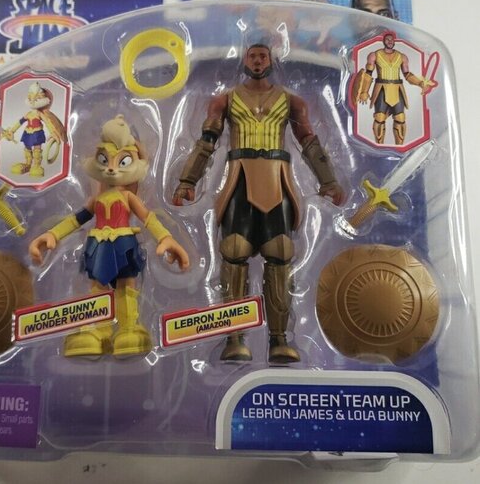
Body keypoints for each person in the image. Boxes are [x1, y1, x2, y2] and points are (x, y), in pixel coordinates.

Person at [173, 44, 343, 364]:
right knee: (234, 252)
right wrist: (188, 181)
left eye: (262, 55)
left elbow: (309, 141)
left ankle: (279, 340)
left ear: (271, 60)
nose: (257, 61)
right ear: (244, 60)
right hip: (239, 180)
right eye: (252, 56)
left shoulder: (292, 102)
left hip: (279, 181)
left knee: (280, 254)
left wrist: (328, 180)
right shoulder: (224, 100)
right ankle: (234, 338)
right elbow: (207, 142)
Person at [30, 115, 189, 358]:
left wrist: (166, 239)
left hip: (124, 244)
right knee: (98, 287)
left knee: (126, 287)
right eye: (105, 160)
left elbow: (148, 218)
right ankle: (98, 330)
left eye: (122, 161)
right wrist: (52, 234)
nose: (112, 168)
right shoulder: (96, 199)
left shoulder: (128, 197)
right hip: (98, 246)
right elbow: (76, 219)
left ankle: (128, 327)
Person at [353, 31, 434, 145]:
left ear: (394, 42)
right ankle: (379, 145)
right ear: (383, 41)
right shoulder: (375, 55)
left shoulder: (402, 57)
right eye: (387, 39)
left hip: (397, 89)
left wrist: (420, 83)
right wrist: (364, 91)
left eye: (392, 40)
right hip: (381, 89)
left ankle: (399, 147)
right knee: (379, 117)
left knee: (400, 118)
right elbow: (368, 74)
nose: (390, 41)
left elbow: (407, 75)